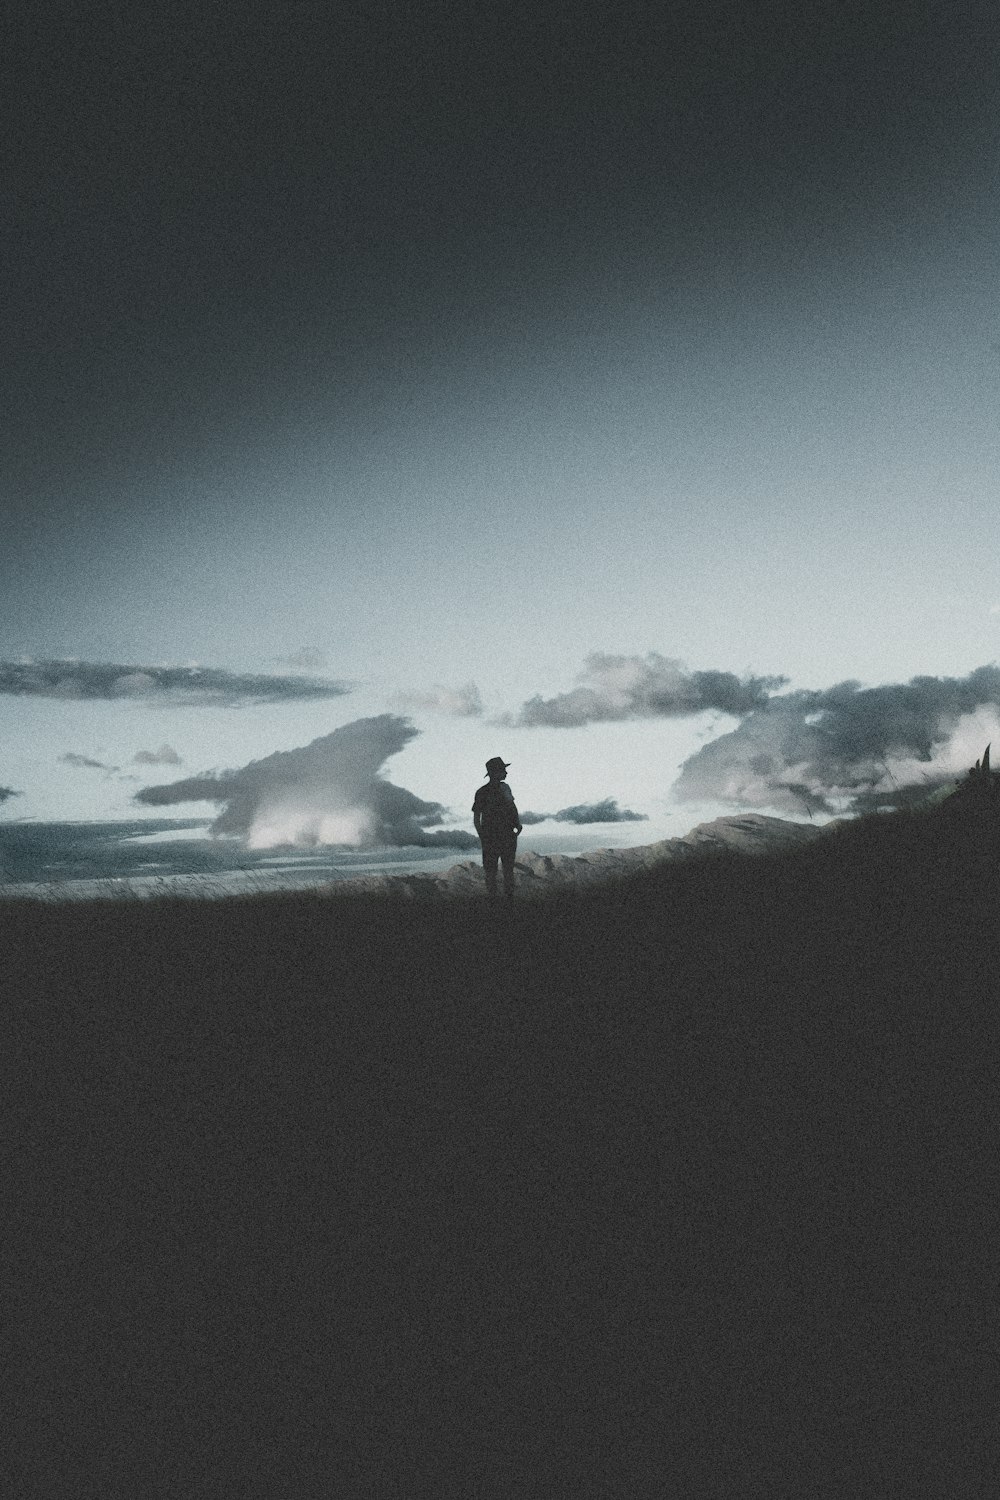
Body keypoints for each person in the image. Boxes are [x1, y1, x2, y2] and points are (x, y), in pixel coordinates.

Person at [473, 756, 523, 901]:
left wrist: (483, 837)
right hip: (504, 836)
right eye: (503, 770)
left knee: (493, 872)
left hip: (497, 837)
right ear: (496, 772)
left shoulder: (483, 791)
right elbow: (512, 807)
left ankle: (495, 904)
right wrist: (517, 825)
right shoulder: (501, 789)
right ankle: (506, 904)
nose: (506, 773)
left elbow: (477, 818)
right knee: (504, 871)